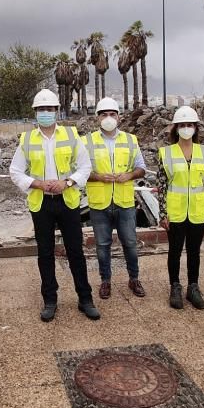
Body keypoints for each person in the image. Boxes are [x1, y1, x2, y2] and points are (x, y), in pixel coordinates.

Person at [10, 88, 98, 322]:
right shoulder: (27, 139)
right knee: (45, 253)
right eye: (41, 110)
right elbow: (15, 171)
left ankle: (85, 298)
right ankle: (50, 300)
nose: (45, 113)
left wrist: (67, 182)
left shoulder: (71, 135)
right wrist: (36, 183)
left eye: (49, 109)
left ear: (57, 111)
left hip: (67, 201)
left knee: (75, 251)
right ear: (35, 113)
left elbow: (85, 167)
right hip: (41, 204)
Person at [85, 97, 146, 299]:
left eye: (112, 114)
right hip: (99, 202)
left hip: (125, 201)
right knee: (102, 245)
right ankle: (105, 281)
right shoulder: (87, 141)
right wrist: (98, 177)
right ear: (98, 118)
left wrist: (129, 175)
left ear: (119, 117)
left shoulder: (130, 140)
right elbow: (79, 171)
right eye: (104, 114)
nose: (108, 118)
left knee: (129, 243)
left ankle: (134, 278)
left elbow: (141, 168)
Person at [157, 106, 204, 310]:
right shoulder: (166, 153)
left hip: (198, 211)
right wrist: (162, 213)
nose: (186, 128)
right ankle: (175, 286)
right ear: (175, 128)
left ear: (195, 127)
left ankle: (193, 287)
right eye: (182, 125)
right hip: (175, 211)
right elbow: (162, 185)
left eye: (189, 125)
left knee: (194, 251)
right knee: (174, 251)